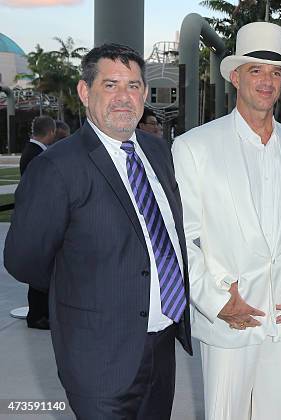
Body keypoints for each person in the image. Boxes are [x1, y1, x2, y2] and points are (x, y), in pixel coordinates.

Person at [4, 43, 192, 419]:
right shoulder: (57, 168)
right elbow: (24, 261)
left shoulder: (158, 152)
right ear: (84, 92)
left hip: (161, 350)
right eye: (111, 85)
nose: (125, 97)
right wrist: (86, 291)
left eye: (134, 86)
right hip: (98, 359)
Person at [172, 22, 281, 420]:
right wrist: (218, 302)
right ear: (235, 76)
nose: (267, 81)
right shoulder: (194, 147)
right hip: (229, 322)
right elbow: (184, 238)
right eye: (256, 70)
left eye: (275, 72)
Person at [19, 115, 56, 330]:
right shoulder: (36, 154)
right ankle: (38, 315)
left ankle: (41, 313)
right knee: (41, 272)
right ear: (50, 132)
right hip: (39, 220)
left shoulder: (34, 151)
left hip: (38, 219)